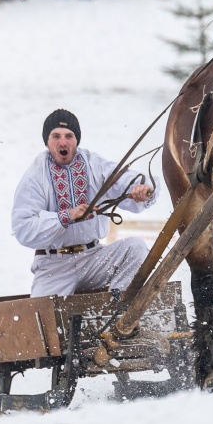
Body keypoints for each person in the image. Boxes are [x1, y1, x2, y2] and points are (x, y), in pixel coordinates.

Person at [11, 109, 158, 298]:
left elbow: (122, 179)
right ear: (47, 142)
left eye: (69, 136)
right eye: (56, 136)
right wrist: (66, 217)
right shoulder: (35, 177)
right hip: (53, 267)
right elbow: (23, 228)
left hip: (93, 258)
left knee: (135, 247)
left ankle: (119, 312)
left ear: (76, 140)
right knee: (39, 320)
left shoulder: (94, 164)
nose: (63, 142)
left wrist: (140, 189)